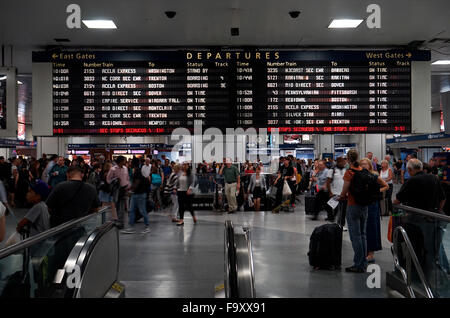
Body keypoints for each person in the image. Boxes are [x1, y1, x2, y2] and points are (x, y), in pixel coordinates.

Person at [339, 149, 387, 273]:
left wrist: (341, 196)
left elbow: (344, 191)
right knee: (363, 235)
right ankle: (363, 261)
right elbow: (382, 184)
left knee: (355, 236)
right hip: (365, 206)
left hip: (353, 205)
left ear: (348, 159)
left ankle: (359, 264)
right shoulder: (365, 172)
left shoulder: (350, 173)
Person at [360, 158, 388, 263]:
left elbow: (386, 186)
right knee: (363, 228)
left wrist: (376, 192)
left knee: (371, 228)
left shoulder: (374, 175)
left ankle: (371, 254)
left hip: (372, 205)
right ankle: (365, 251)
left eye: (365, 164)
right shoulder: (359, 175)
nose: (363, 165)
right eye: (361, 164)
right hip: (362, 204)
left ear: (369, 165)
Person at [121, 166, 150, 234]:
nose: (133, 171)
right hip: (141, 195)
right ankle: (143, 227)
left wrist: (129, 190)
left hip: (137, 195)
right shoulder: (145, 177)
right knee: (137, 211)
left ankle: (138, 227)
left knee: (136, 210)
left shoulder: (137, 176)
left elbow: (135, 185)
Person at [107, 156, 130, 229]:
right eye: (124, 160)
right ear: (120, 161)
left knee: (122, 206)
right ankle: (118, 221)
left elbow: (127, 178)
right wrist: (115, 179)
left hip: (124, 189)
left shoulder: (125, 168)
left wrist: (128, 187)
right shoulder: (113, 169)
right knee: (117, 206)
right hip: (116, 190)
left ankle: (121, 222)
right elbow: (108, 179)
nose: (125, 162)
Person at [326, 156, 347, 226]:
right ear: (337, 162)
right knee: (335, 210)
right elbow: (328, 182)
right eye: (340, 161)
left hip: (344, 193)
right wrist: (330, 192)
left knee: (343, 210)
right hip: (335, 193)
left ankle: (341, 224)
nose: (342, 163)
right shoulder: (332, 170)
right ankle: (334, 223)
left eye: (343, 161)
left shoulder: (346, 170)